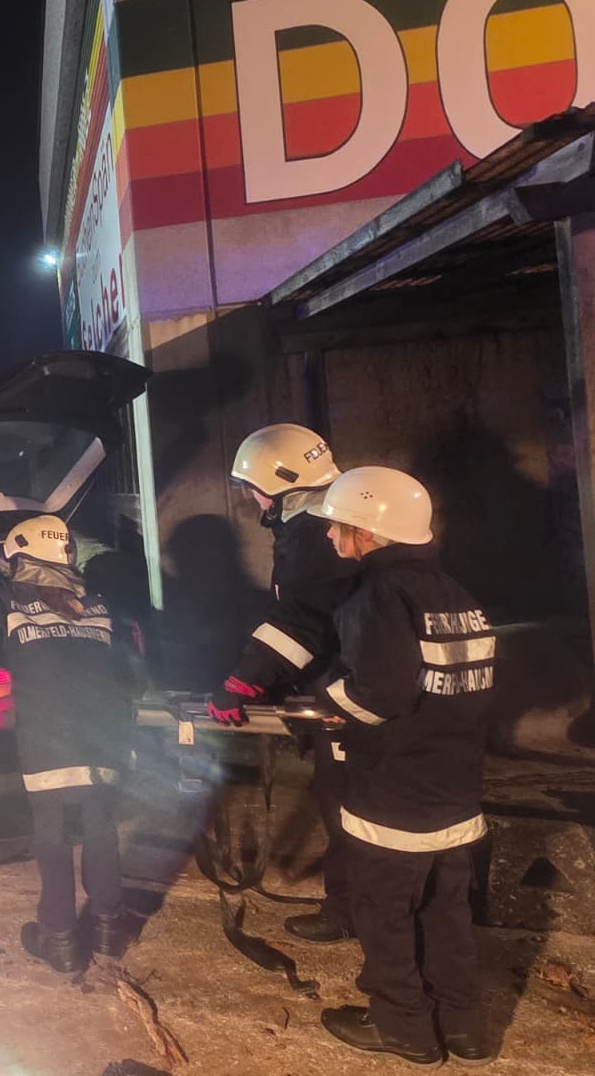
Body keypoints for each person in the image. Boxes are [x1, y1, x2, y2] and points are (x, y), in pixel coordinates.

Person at [309, 467, 495, 1066]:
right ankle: (465, 1028)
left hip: (394, 791)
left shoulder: (376, 596)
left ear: (368, 532)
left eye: (338, 525)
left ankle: (401, 1026)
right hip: (455, 786)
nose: (331, 536)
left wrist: (328, 703)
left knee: (383, 912)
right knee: (446, 911)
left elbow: (381, 694)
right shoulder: (455, 593)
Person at [0, 514, 136, 973]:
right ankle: (108, 929)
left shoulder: (7, 600)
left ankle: (59, 940)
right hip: (104, 740)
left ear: (20, 560)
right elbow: (128, 668)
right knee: (101, 829)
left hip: (48, 742)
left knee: (52, 838)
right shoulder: (99, 604)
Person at [210, 423, 360, 943]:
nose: (252, 499)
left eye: (252, 488)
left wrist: (245, 683)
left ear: (279, 485)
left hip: (351, 694)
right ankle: (354, 908)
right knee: (346, 802)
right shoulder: (330, 521)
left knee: (349, 808)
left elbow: (300, 622)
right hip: (346, 683)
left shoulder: (313, 535)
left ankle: (351, 912)